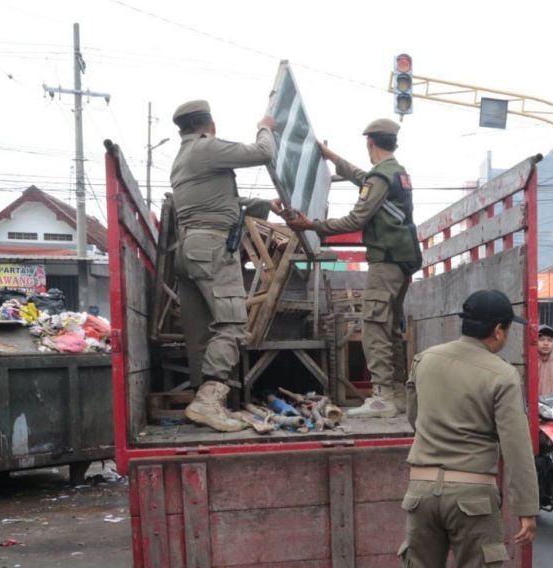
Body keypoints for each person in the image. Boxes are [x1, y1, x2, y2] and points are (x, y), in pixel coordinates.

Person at [399, 289, 538, 568]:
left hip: (421, 491)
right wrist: (527, 508)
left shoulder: (425, 361)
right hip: (473, 497)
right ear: (497, 331)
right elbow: (516, 447)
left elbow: (415, 418)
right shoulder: (501, 374)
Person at [278, 118, 422, 419]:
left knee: (374, 326)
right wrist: (332, 158)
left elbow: (356, 219)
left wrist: (313, 225)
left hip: (386, 259)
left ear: (370, 143)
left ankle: (382, 396)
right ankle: (396, 392)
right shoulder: (395, 173)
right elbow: (362, 176)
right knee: (390, 327)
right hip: (401, 260)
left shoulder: (381, 177)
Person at [170, 100, 276, 431]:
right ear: (209, 124)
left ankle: (206, 406)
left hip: (188, 249)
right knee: (231, 324)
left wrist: (262, 204)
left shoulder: (183, 157)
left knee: (202, 332)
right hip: (212, 248)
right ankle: (208, 401)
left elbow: (216, 201)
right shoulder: (207, 148)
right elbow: (263, 153)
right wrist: (265, 128)